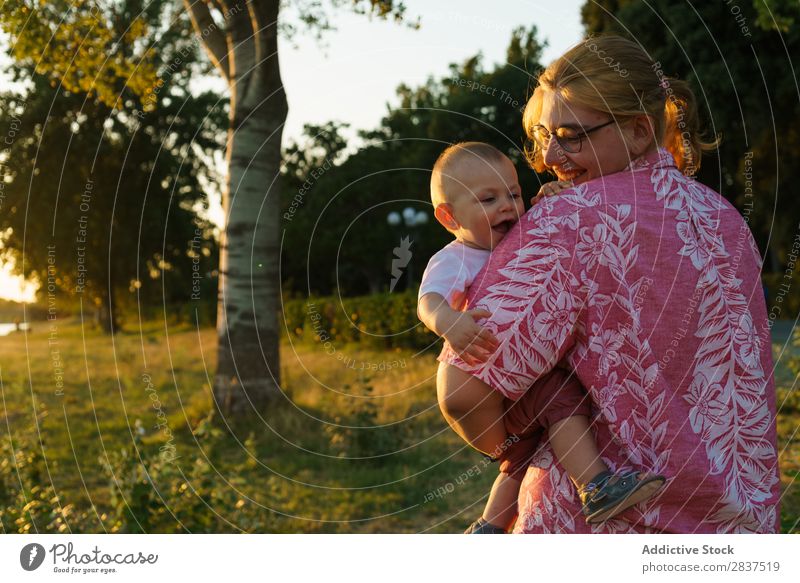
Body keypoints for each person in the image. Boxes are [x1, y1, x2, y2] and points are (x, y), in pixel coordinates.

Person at [436, 35, 780, 533]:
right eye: (542, 135)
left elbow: (463, 392)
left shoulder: (564, 222)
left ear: (640, 131)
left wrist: (510, 447)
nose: (550, 156)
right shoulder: (725, 218)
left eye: (572, 135)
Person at [418, 141, 664, 533]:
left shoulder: (519, 231)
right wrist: (447, 320)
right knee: (559, 395)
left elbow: (546, 228)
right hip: (484, 396)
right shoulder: (456, 256)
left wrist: (550, 197)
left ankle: (489, 527)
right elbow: (427, 301)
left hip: (508, 389)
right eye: (487, 199)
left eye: (513, 194)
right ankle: (597, 485)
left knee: (524, 450)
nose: (506, 206)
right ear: (449, 217)